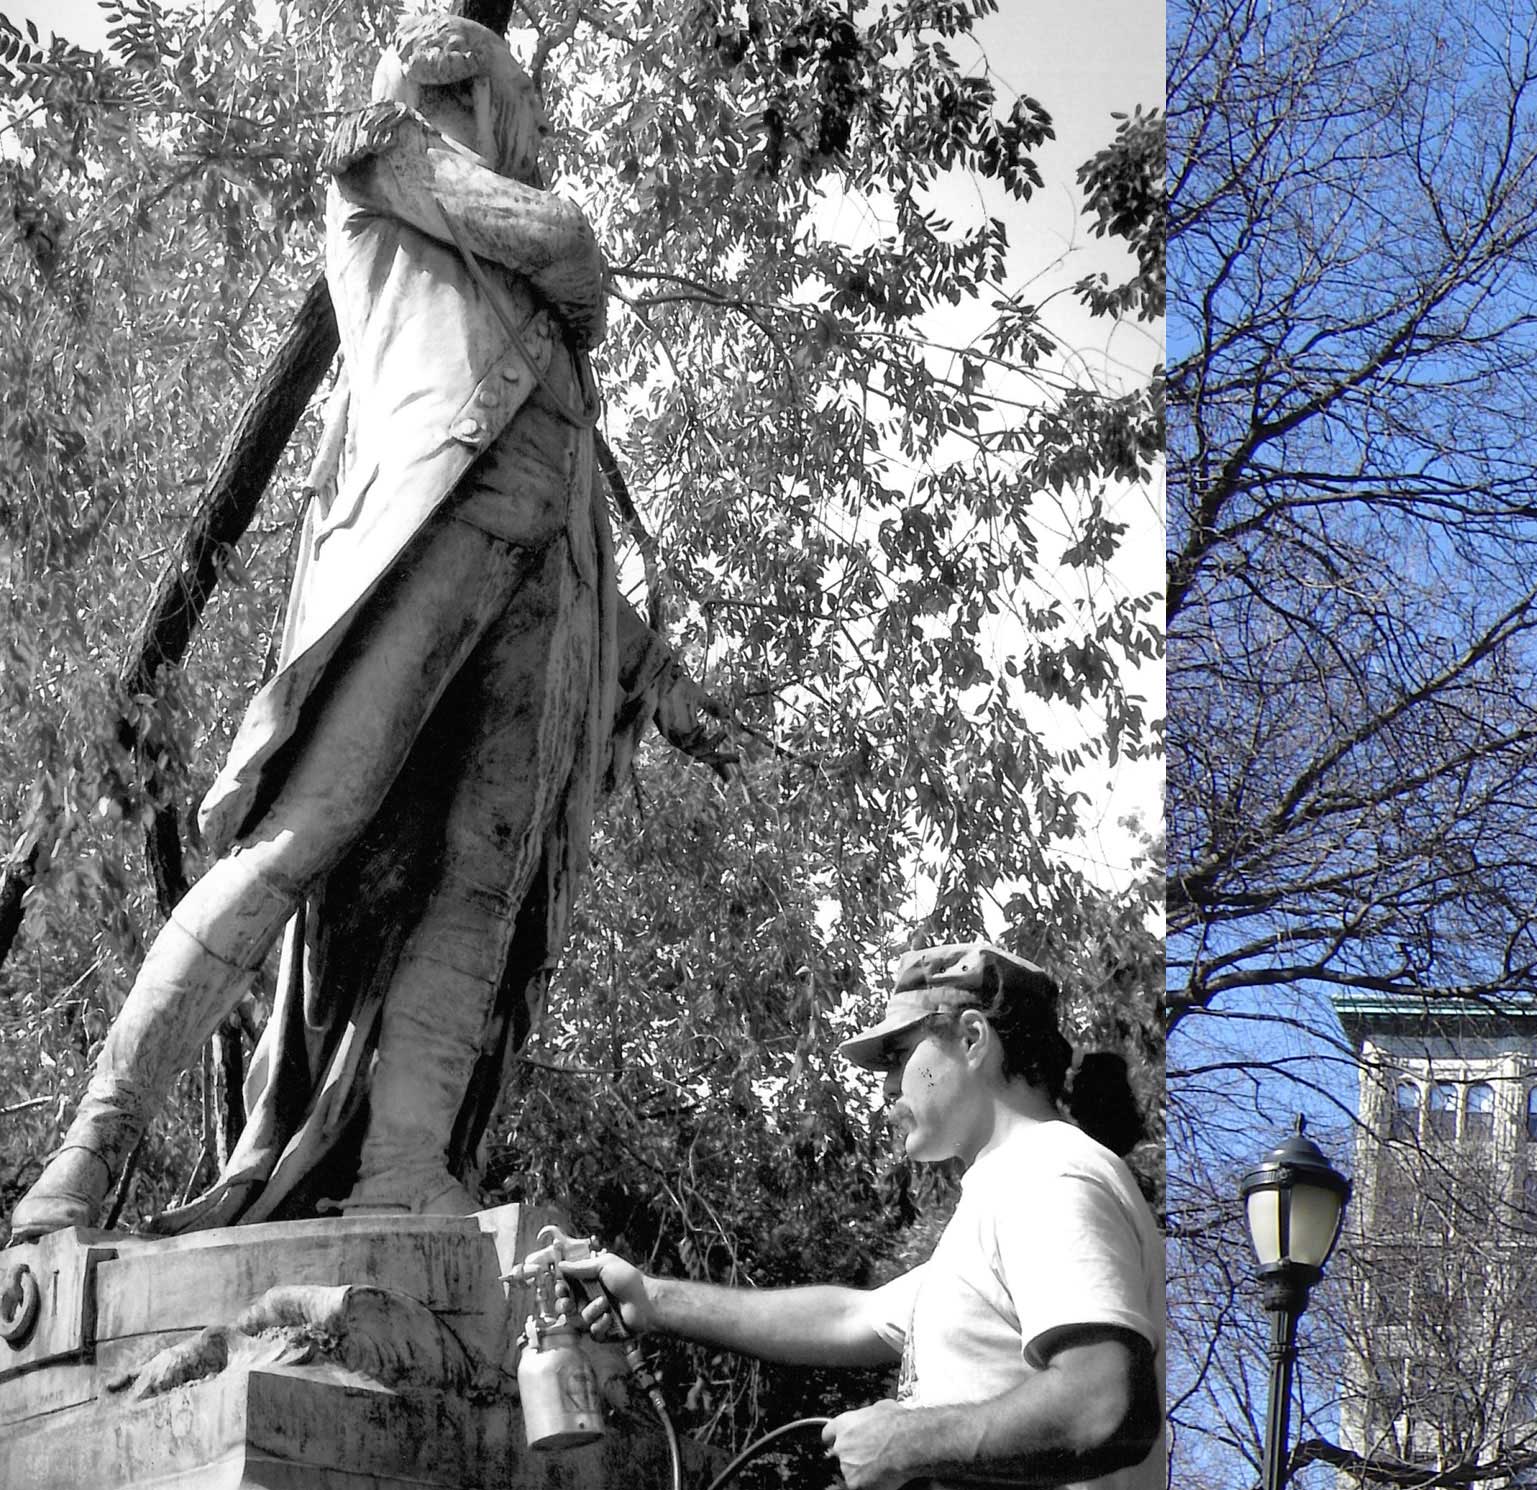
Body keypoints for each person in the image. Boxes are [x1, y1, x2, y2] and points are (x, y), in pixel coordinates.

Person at [8, 12, 725, 1241]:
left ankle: (403, 1166)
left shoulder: (497, 267)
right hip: (419, 544)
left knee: (480, 883)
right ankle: (79, 1161)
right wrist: (552, 249)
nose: (495, 122)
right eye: (491, 101)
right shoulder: (382, 155)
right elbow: (570, 243)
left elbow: (563, 450)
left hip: (540, 584)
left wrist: (654, 671)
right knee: (303, 834)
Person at [540, 943, 1165, 1490]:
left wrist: (907, 1442)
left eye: (898, 1055)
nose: (887, 1087)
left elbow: (1101, 1404)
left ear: (973, 1039)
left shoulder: (1048, 1174)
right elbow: (853, 1315)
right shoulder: (1002, 1195)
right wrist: (650, 1299)